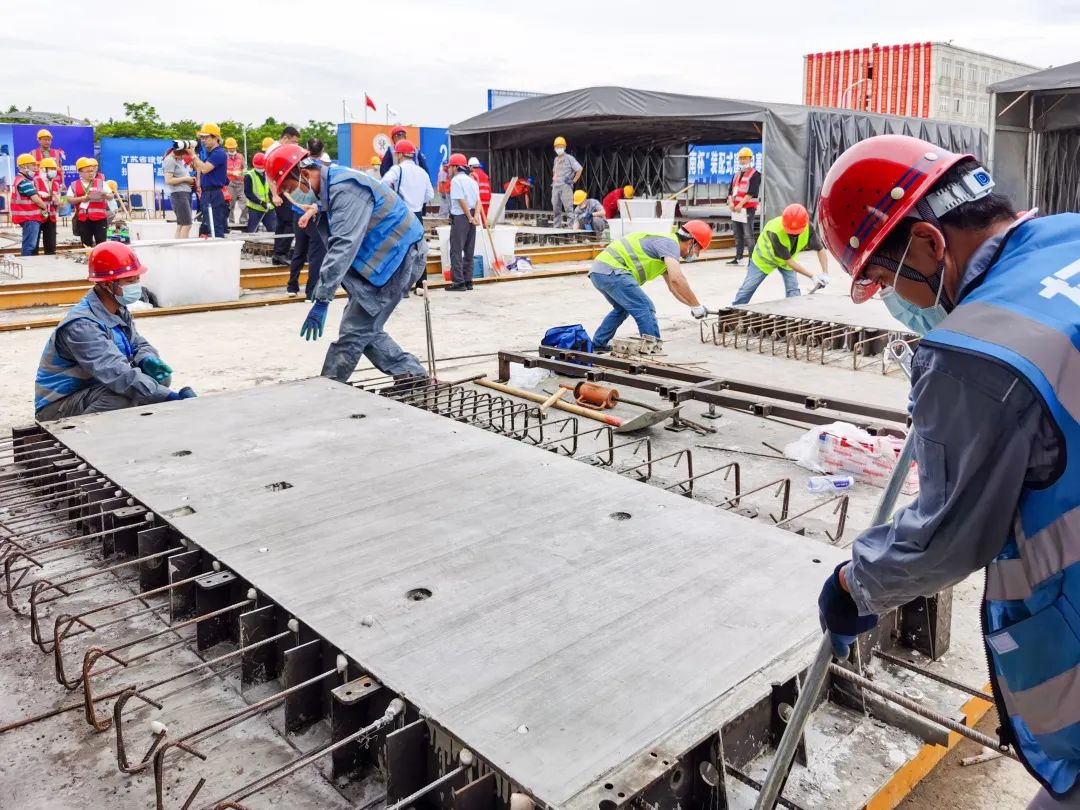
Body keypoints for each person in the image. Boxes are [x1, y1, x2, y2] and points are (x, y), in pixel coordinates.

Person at [814, 133, 1080, 810]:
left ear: (931, 244)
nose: (889, 301)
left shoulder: (979, 355)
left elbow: (947, 538)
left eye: (884, 278)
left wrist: (854, 585)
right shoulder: (1069, 235)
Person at [265, 144, 428, 383]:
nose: (292, 195)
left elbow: (343, 246)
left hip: (400, 258)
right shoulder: (332, 184)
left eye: (290, 188)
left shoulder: (346, 189)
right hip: (385, 259)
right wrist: (316, 209)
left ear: (304, 174)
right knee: (364, 329)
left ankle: (329, 390)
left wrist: (322, 298)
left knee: (354, 331)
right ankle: (413, 376)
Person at [34, 242, 196, 420]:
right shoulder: (82, 326)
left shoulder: (117, 308)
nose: (135, 285)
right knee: (123, 396)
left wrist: (146, 358)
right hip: (60, 405)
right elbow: (118, 374)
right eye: (129, 280)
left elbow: (136, 343)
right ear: (107, 285)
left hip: (95, 387)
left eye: (136, 279)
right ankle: (83, 437)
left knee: (157, 379)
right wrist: (170, 397)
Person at [588, 221, 713, 354]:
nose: (697, 254)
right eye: (699, 249)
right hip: (613, 270)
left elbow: (673, 287)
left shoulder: (666, 250)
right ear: (691, 242)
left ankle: (598, 344)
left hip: (600, 271)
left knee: (622, 309)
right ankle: (653, 350)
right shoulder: (670, 244)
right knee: (645, 307)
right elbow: (677, 279)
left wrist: (694, 306)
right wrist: (696, 305)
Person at [730, 203, 829, 305]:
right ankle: (732, 315)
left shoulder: (808, 228)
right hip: (764, 260)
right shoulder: (775, 231)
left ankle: (793, 315)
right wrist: (813, 277)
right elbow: (789, 261)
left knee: (793, 292)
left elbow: (820, 249)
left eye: (796, 232)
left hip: (786, 261)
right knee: (747, 290)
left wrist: (825, 273)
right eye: (791, 231)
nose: (792, 234)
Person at [382, 139, 434, 297]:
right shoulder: (422, 172)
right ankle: (421, 284)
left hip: (403, 213)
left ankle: (402, 289)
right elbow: (430, 195)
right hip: (418, 214)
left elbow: (384, 183)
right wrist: (417, 200)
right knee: (419, 250)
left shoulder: (397, 170)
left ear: (399, 154)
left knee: (401, 249)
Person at [285, 138, 330, 300]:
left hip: (299, 211)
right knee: (317, 254)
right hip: (314, 214)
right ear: (322, 149)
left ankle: (292, 286)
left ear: (306, 149)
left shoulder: (299, 165)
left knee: (299, 250)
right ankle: (311, 291)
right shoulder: (324, 166)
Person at [186, 123, 228, 238]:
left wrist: (193, 155)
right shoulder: (210, 153)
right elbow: (199, 167)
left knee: (215, 226)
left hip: (214, 194)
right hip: (207, 193)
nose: (203, 140)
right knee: (207, 226)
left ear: (215, 138)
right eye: (202, 137)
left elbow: (204, 169)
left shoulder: (219, 153)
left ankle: (219, 251)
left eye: (206, 137)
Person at [446, 152, 481, 292]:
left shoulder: (456, 181)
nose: (449, 170)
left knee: (456, 249)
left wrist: (469, 216)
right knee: (469, 249)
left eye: (450, 167)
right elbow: (478, 201)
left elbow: (461, 200)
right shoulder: (472, 181)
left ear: (455, 167)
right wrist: (475, 216)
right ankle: (468, 280)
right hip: (472, 215)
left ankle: (458, 282)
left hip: (461, 216)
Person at [270, 126, 301, 263]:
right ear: (285, 138)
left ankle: (278, 254)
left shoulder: (281, 149)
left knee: (282, 222)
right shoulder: (275, 151)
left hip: (283, 189)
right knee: (289, 221)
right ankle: (281, 253)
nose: (296, 145)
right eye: (293, 142)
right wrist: (275, 194)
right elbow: (269, 175)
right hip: (279, 190)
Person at [67, 157, 112, 247]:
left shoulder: (101, 183)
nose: (91, 173)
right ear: (80, 172)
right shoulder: (74, 184)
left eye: (93, 171)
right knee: (86, 243)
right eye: (88, 171)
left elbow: (111, 196)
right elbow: (69, 199)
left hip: (100, 218)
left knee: (102, 243)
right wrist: (82, 199)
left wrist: (106, 196)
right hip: (83, 219)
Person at [726, 148, 760, 265]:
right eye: (741, 158)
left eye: (745, 158)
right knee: (737, 234)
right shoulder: (736, 175)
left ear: (751, 159)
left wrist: (740, 204)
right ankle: (738, 258)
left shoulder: (755, 174)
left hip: (747, 209)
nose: (743, 160)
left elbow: (752, 192)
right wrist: (731, 203)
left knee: (748, 234)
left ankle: (753, 260)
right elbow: (730, 191)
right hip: (736, 209)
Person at [12, 154, 50, 256]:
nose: (35, 168)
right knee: (29, 246)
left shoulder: (20, 180)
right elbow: (36, 199)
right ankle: (27, 266)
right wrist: (44, 207)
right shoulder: (24, 182)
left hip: (27, 217)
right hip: (29, 218)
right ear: (24, 166)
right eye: (33, 165)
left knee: (29, 244)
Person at [162, 146, 195, 239]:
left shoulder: (178, 160)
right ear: (180, 151)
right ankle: (183, 248)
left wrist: (189, 181)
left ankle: (178, 247)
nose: (184, 157)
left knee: (181, 224)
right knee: (187, 224)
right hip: (179, 194)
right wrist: (186, 179)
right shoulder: (169, 160)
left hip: (184, 193)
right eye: (185, 154)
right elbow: (168, 180)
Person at [551, 136, 582, 227]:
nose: (559, 148)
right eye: (557, 147)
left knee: (568, 208)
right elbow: (555, 171)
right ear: (554, 148)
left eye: (561, 146)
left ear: (564, 147)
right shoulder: (556, 160)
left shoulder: (569, 158)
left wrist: (574, 180)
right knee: (556, 208)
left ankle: (570, 227)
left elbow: (579, 169)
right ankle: (556, 227)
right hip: (555, 186)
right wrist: (554, 177)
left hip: (565, 186)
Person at [243, 152, 277, 233]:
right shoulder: (249, 176)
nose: (260, 169)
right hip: (255, 208)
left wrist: (272, 201)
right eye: (258, 167)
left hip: (269, 207)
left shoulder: (269, 173)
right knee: (252, 231)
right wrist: (262, 203)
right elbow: (248, 193)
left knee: (273, 229)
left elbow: (272, 189)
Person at [36, 157, 63, 255]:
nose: (54, 171)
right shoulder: (35, 181)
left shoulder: (55, 183)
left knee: (51, 241)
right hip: (37, 215)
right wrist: (42, 194)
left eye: (54, 169)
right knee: (35, 240)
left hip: (51, 215)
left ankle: (50, 255)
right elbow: (32, 196)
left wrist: (58, 201)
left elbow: (57, 201)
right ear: (43, 169)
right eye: (51, 169)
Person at [224, 137, 247, 227]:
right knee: (230, 204)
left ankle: (243, 221)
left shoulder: (240, 156)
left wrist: (242, 172)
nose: (232, 149)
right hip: (230, 183)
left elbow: (244, 168)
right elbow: (222, 170)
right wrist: (232, 172)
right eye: (230, 148)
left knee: (245, 203)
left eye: (233, 148)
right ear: (227, 148)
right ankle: (231, 222)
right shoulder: (224, 157)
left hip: (240, 182)